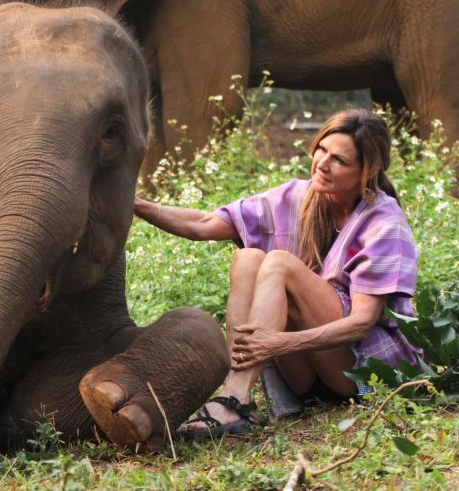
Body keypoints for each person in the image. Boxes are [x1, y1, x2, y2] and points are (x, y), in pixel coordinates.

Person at [133, 109, 424, 439]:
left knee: (279, 264)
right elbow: (202, 225)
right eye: (322, 150)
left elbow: (362, 322)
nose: (323, 164)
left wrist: (279, 342)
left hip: (359, 374)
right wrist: (134, 203)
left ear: (366, 173)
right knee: (248, 257)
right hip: (306, 373)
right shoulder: (299, 197)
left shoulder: (384, 223)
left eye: (340, 160)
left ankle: (233, 402)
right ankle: (237, 396)